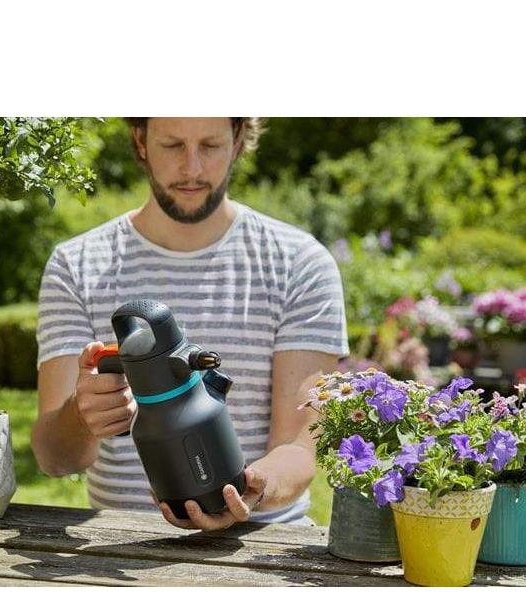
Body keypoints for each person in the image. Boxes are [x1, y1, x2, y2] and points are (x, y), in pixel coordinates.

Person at [31, 117, 349, 531]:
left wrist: (252, 488)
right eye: (173, 145)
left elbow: (300, 447)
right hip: (119, 547)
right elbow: (54, 458)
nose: (193, 168)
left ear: (238, 140)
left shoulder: (299, 265)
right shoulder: (77, 266)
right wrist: (82, 415)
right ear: (140, 141)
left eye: (210, 146)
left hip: (267, 544)